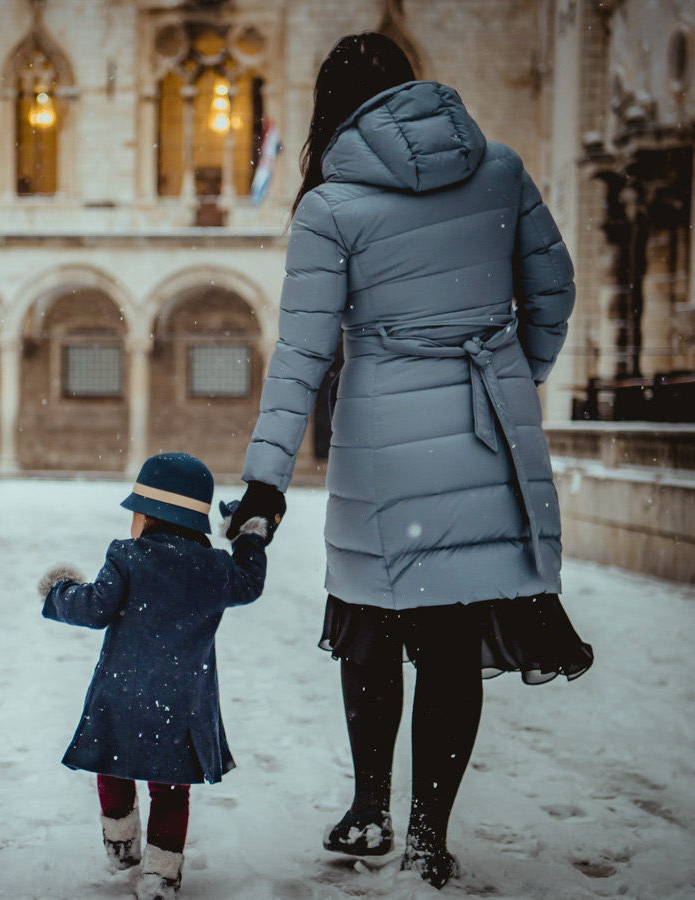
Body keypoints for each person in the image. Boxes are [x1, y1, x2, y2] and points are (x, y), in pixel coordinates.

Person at [227, 33, 594, 889]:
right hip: (484, 440)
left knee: (373, 627)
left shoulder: (329, 206)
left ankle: (369, 811)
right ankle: (430, 831)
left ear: (333, 107)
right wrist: (511, 378)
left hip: (380, 449)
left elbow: (302, 358)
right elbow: (557, 288)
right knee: (452, 639)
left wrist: (264, 481)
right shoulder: (498, 168)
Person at [38, 453, 272, 900]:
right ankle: (162, 873)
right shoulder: (217, 569)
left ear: (148, 516)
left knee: (113, 767)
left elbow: (94, 608)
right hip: (181, 705)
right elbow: (250, 582)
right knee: (169, 790)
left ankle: (121, 842)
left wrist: (60, 591)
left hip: (122, 695)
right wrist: (249, 537)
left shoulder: (127, 556)